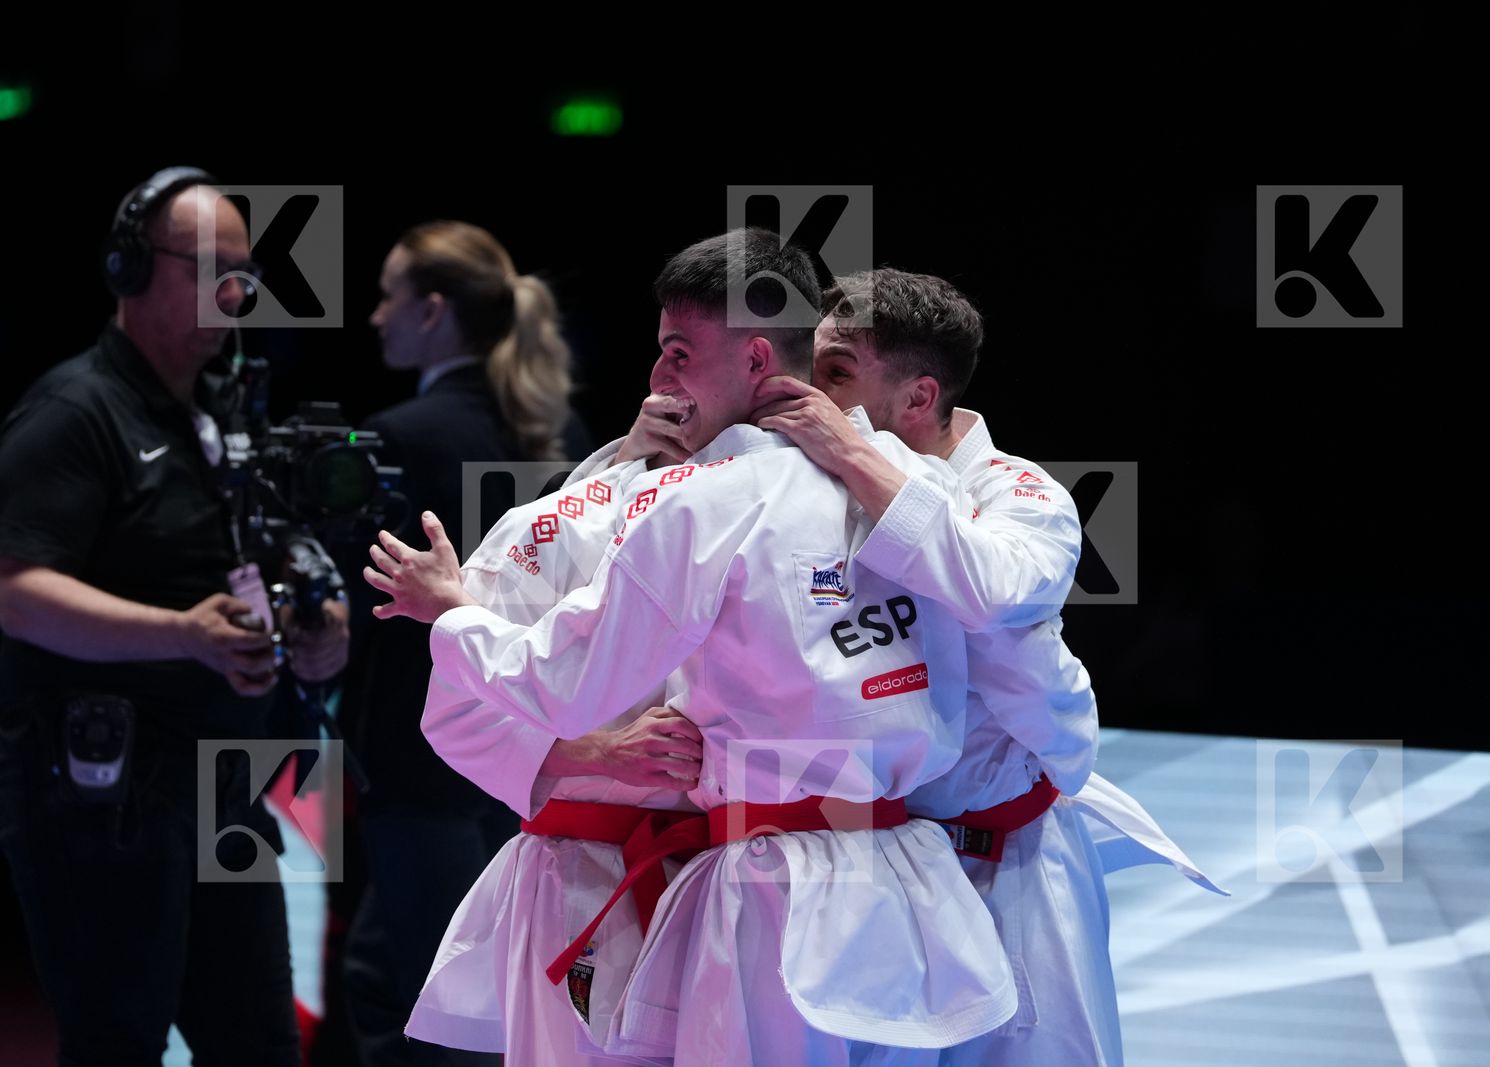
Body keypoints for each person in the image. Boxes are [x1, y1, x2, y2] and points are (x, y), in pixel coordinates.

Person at [369, 229, 1028, 1064]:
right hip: (911, 879)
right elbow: (1013, 618)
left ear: (756, 358)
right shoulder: (911, 480)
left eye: (679, 353)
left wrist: (454, 613)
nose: (658, 379)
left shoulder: (704, 504)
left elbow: (559, 680)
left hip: (768, 888)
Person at [754, 267, 1226, 1065]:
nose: (809, 396)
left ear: (917, 398)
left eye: (836, 375)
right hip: (870, 872)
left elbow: (995, 592)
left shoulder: (1020, 494)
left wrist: (852, 455)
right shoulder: (797, 493)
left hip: (1009, 867)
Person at [0, 167, 347, 1065]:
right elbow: (11, 588)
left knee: (259, 1043)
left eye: (243, 272)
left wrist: (311, 626)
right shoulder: (75, 412)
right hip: (107, 797)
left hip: (224, 783)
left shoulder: (219, 416)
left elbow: (251, 561)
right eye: (207, 267)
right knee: (118, 1042)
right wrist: (180, 633)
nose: (234, 291)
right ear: (128, 269)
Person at [341, 220, 591, 1066]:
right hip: (539, 761)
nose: (375, 316)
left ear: (434, 312)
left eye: (389, 296)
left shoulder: (397, 438)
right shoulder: (563, 440)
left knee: (432, 1005)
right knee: (467, 987)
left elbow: (354, 606)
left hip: (429, 764)